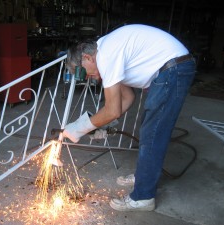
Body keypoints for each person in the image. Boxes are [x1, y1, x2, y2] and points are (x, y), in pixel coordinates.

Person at [63, 24, 196, 211]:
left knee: (153, 134)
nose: (89, 77)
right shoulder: (109, 52)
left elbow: (112, 110)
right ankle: (145, 176)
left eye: (85, 71)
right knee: (150, 130)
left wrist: (78, 128)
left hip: (174, 68)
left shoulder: (107, 54)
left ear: (87, 57)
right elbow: (127, 98)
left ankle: (143, 197)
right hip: (173, 68)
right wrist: (101, 125)